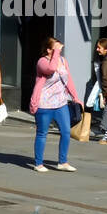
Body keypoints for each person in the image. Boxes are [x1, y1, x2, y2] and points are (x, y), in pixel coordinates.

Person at [29, 36, 79, 172]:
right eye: (55, 47)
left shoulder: (63, 61)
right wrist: (56, 52)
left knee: (66, 132)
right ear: (48, 50)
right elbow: (50, 70)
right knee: (42, 133)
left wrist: (75, 97)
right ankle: (38, 163)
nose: (59, 49)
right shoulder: (42, 61)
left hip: (61, 103)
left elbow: (68, 80)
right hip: (44, 104)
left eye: (59, 47)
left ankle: (63, 162)